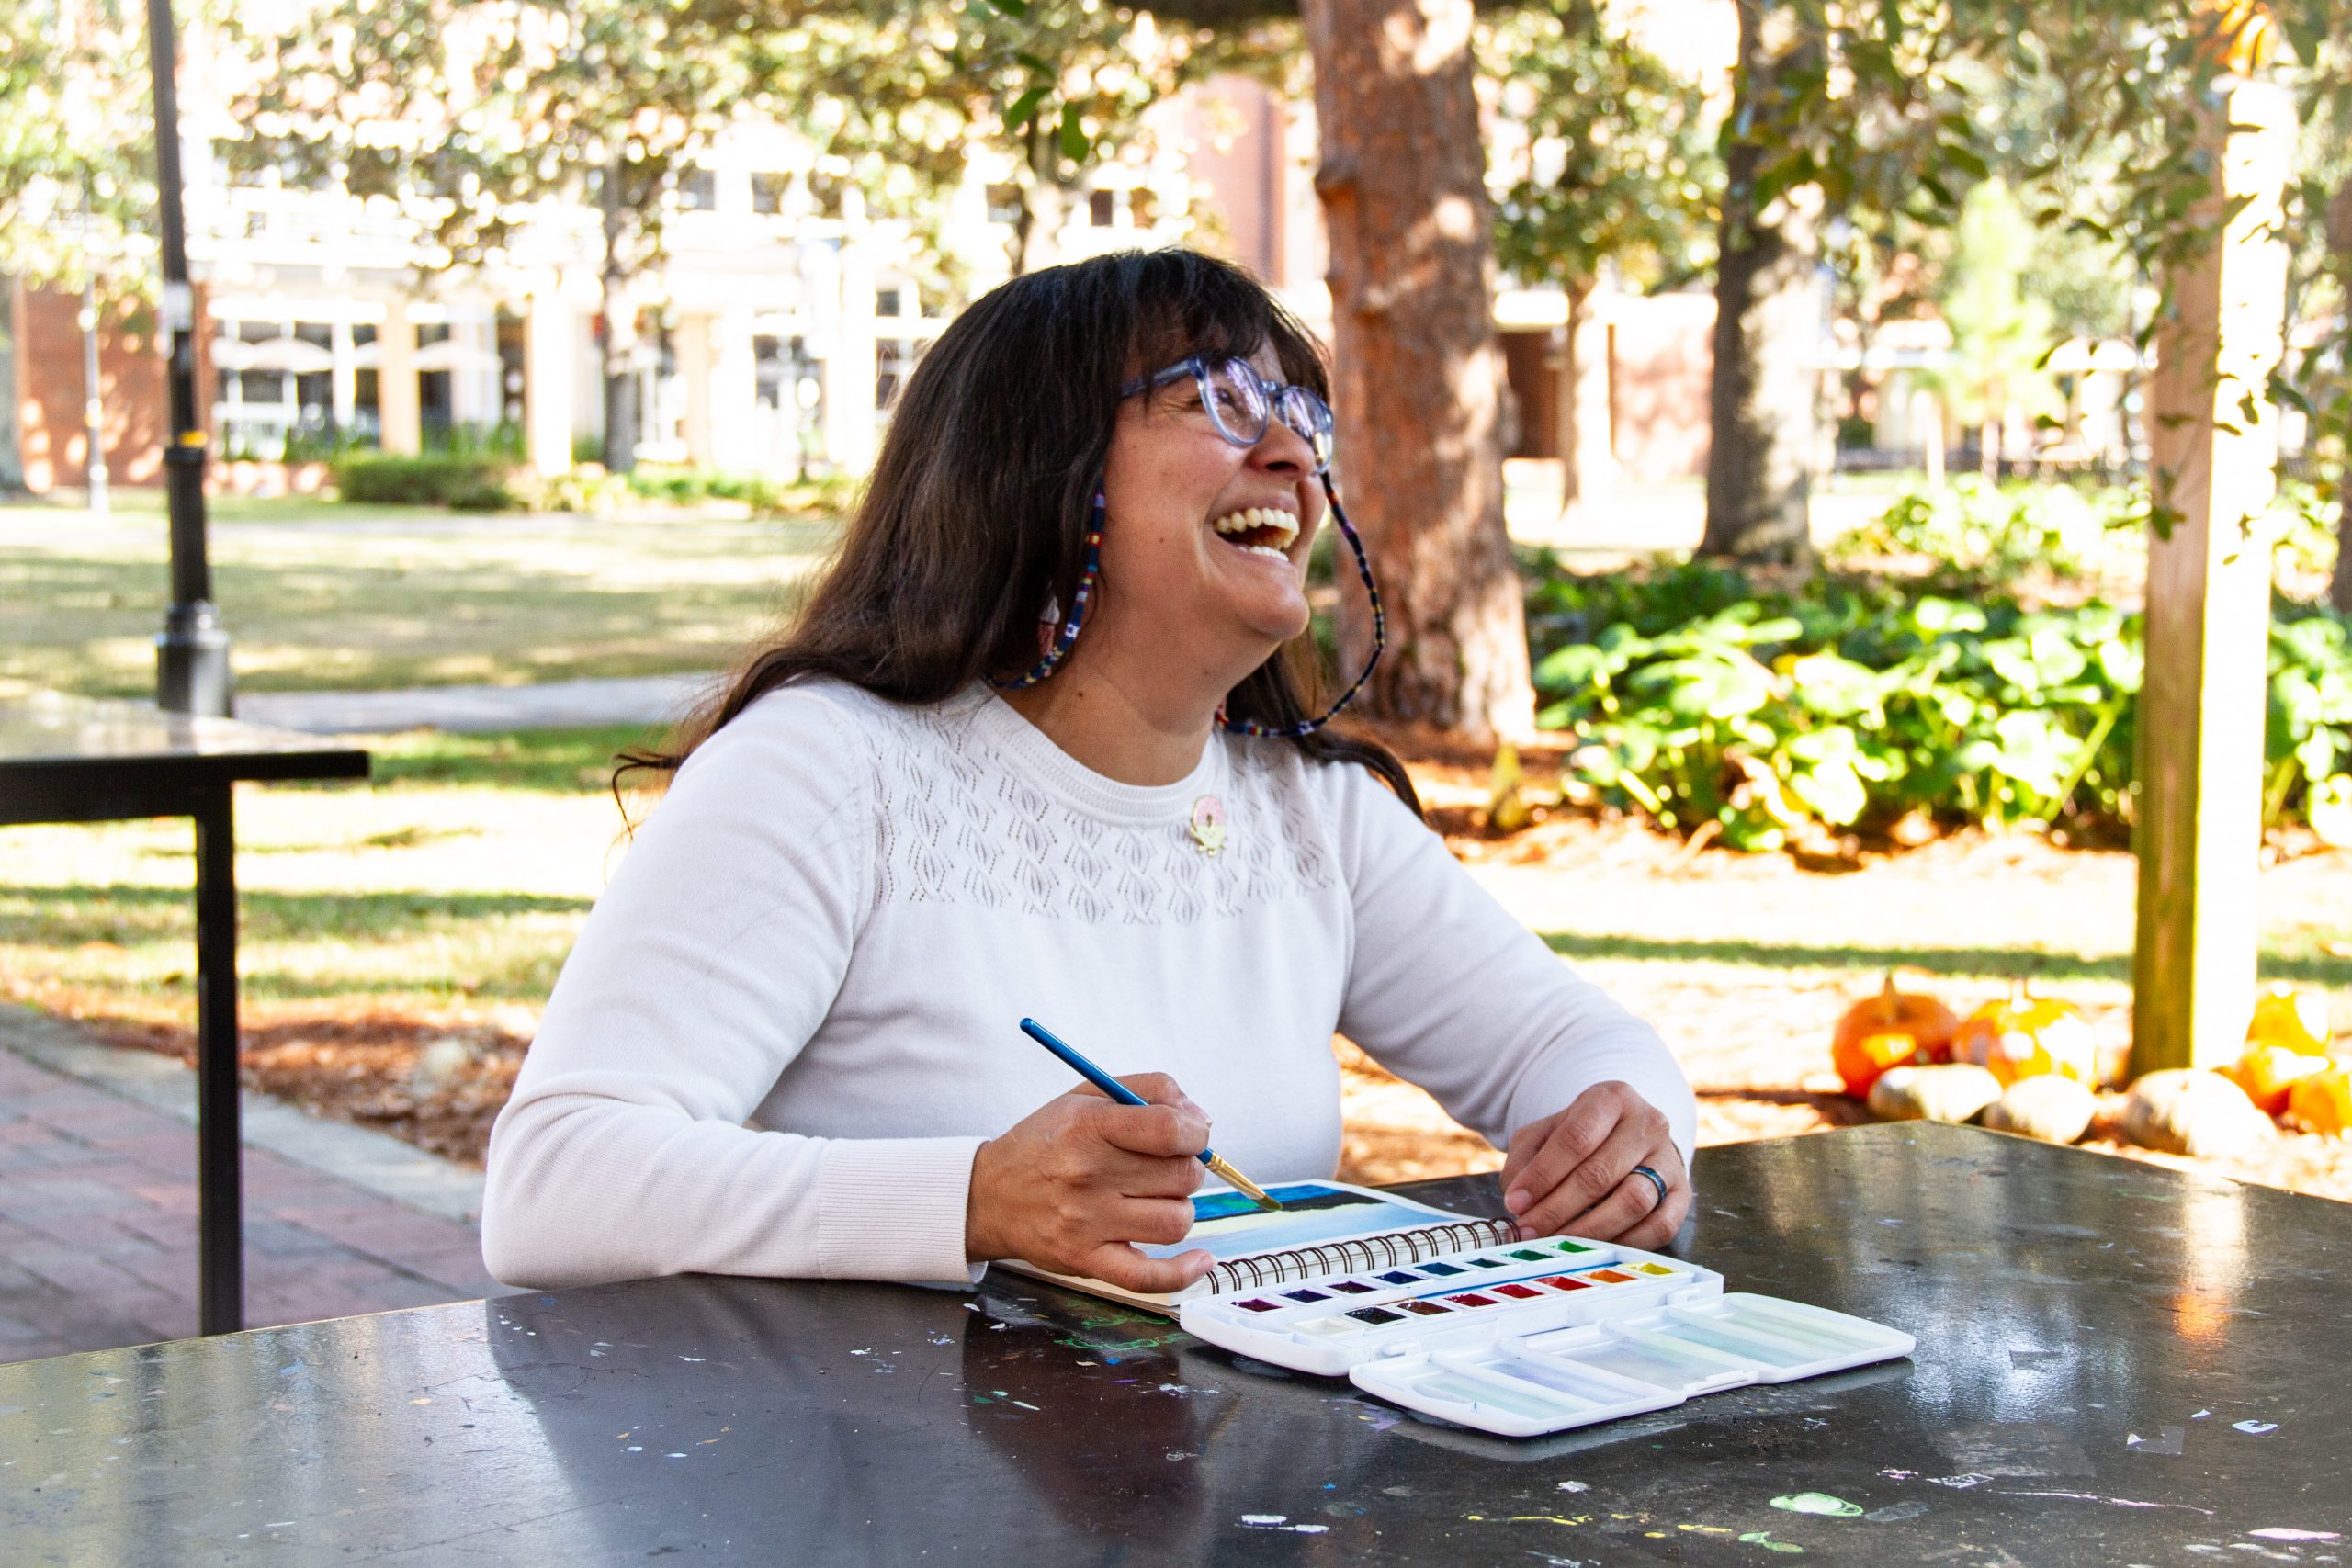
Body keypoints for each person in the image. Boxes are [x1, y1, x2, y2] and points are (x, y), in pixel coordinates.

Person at [480, 248, 1695, 1295]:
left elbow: (1576, 1048)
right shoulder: (826, 768)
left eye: (1306, 422)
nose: (1293, 458)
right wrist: (971, 1199)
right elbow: (556, 1184)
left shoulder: (1306, 811)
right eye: (1221, 404)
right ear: (1041, 469)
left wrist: (1626, 1141)